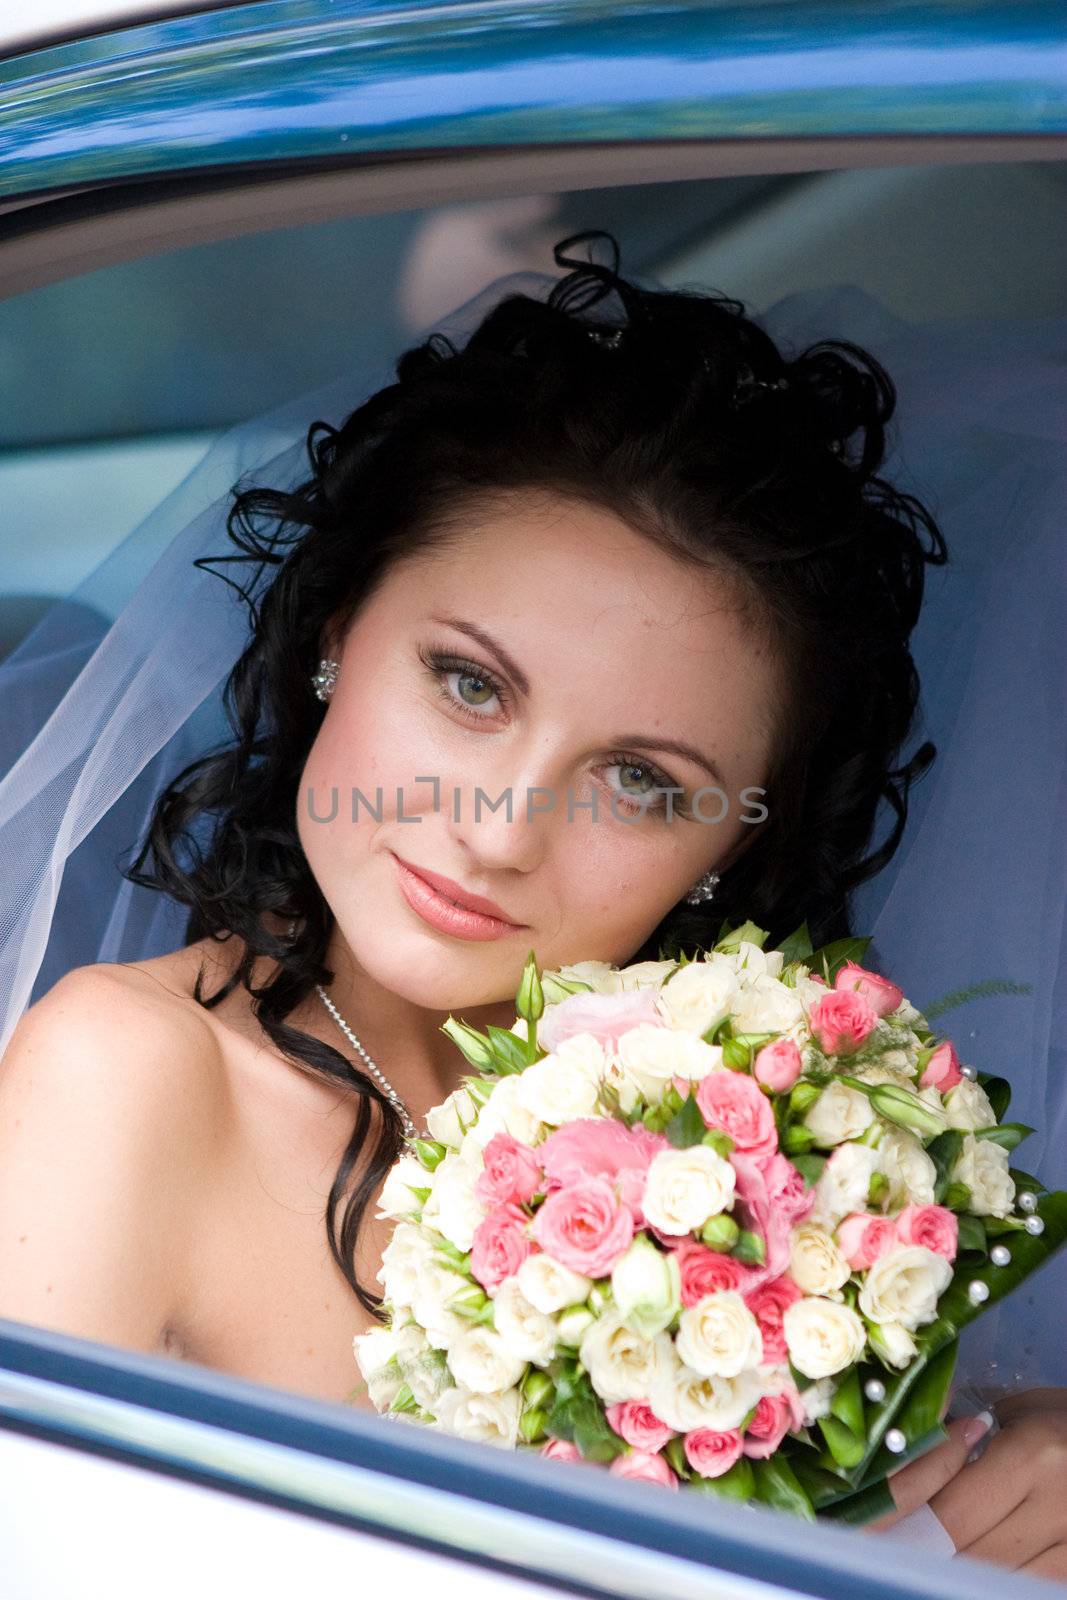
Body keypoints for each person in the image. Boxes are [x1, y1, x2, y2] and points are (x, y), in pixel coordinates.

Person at [0, 232, 1063, 1572]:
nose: (500, 830)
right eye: (469, 685)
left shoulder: (767, 1163)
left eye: (639, 779)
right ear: (335, 631)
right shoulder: (130, 1075)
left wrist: (1006, 1451)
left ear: (736, 841)